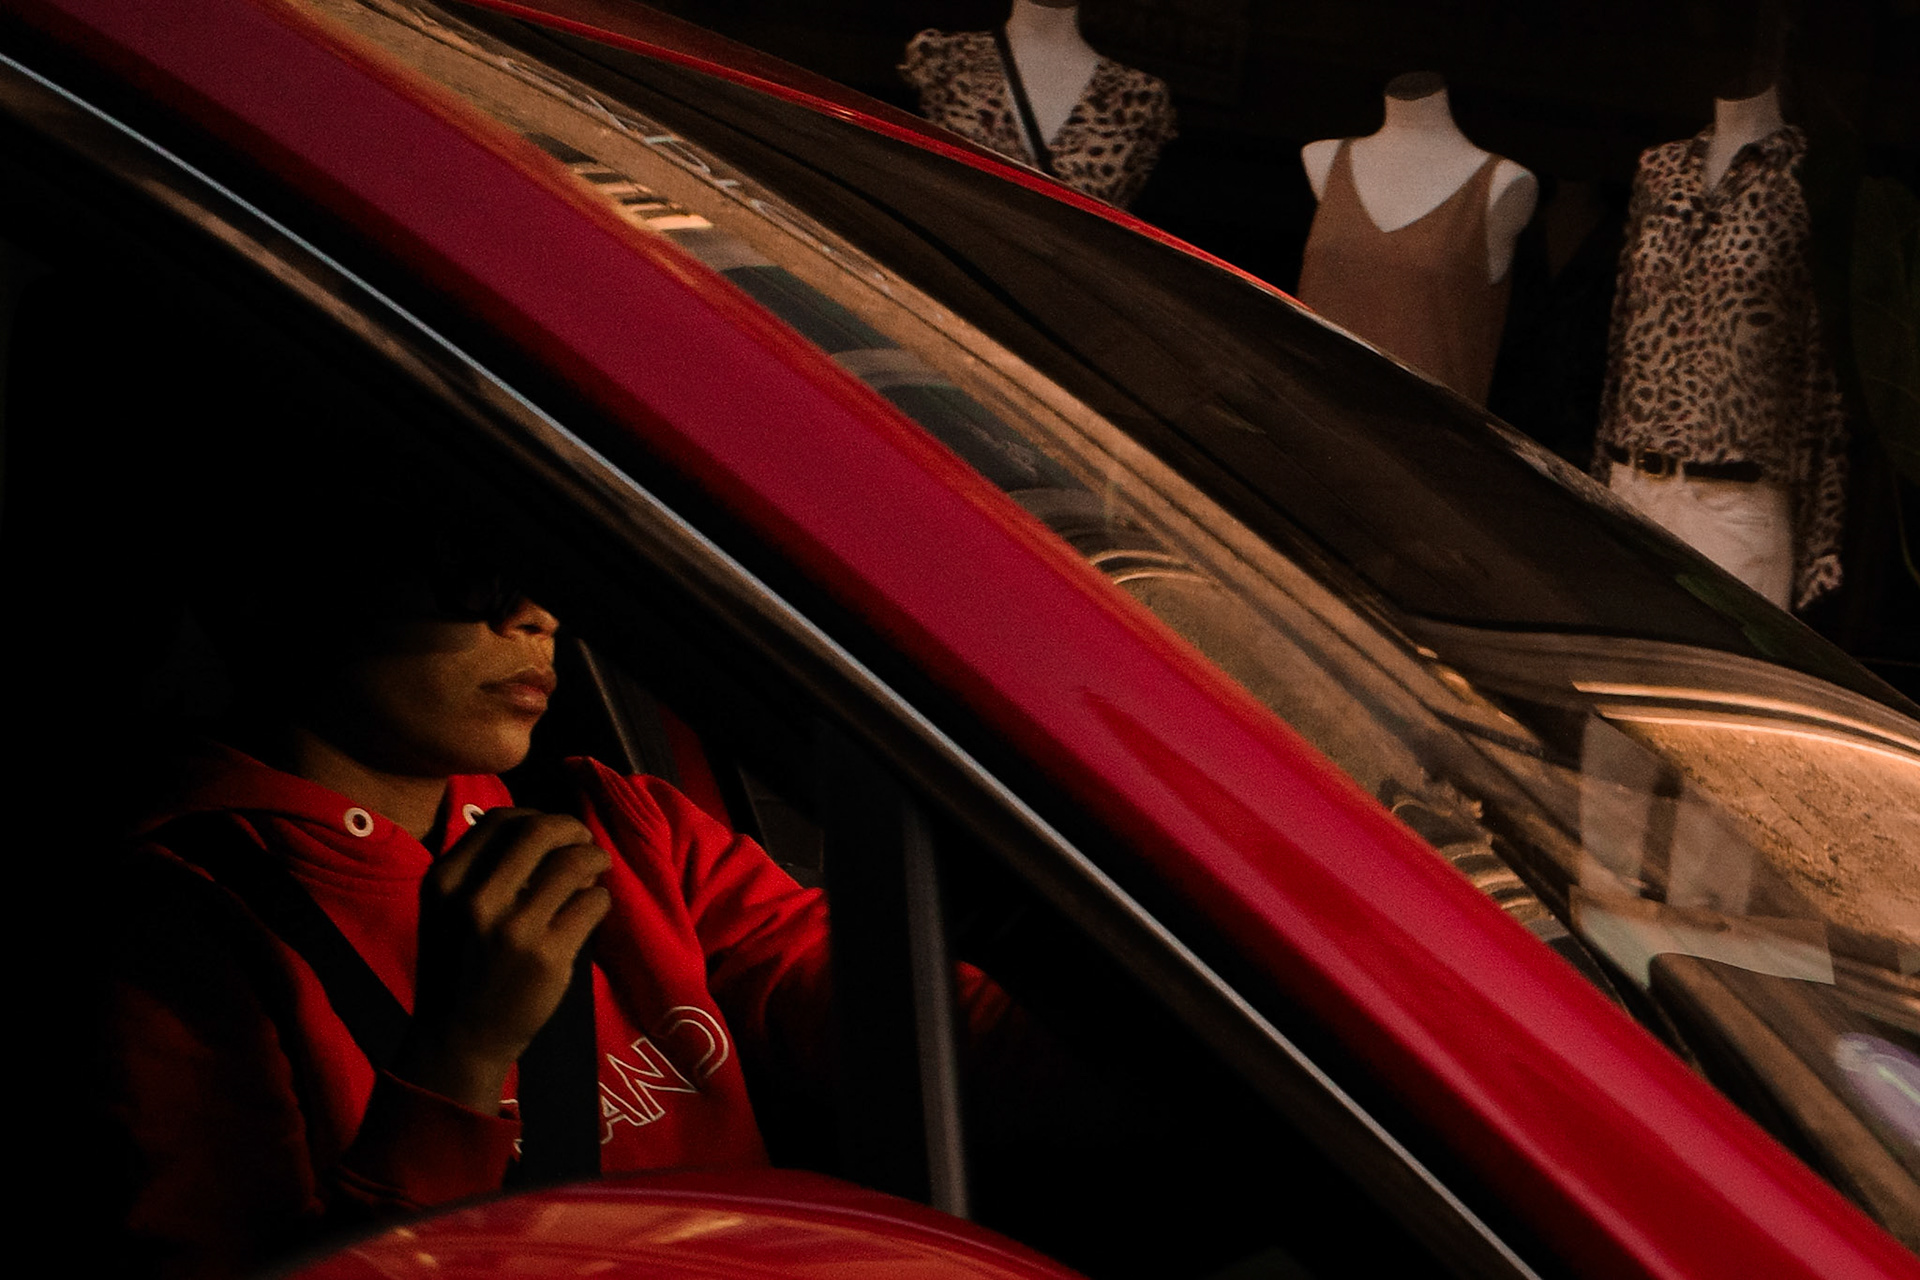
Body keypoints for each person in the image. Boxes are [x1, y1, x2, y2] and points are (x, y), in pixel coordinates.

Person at [97, 523, 889, 1277]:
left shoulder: (616, 823)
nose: (536, 616)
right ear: (276, 587)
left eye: (545, 571)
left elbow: (885, 999)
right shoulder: (177, 929)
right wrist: (460, 1055)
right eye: (470, 568)